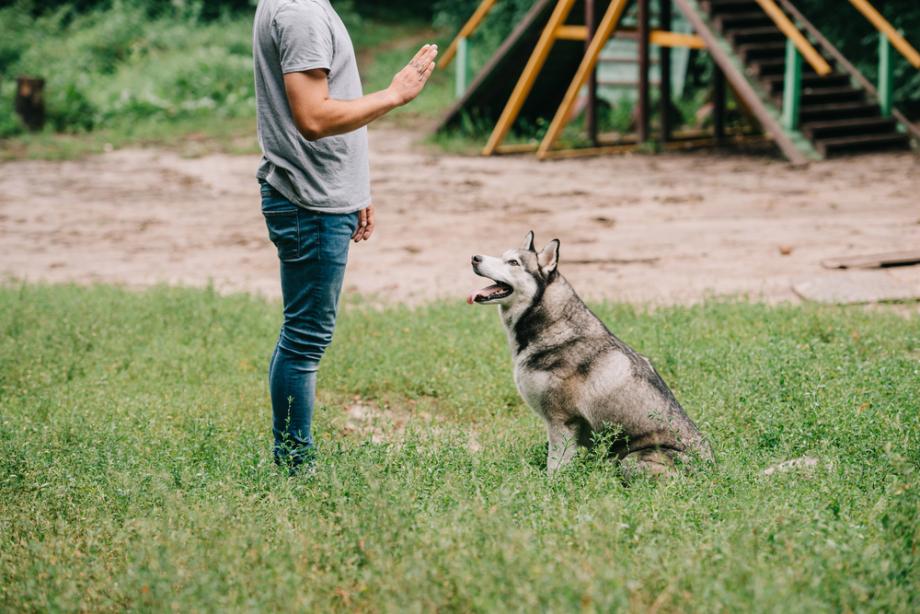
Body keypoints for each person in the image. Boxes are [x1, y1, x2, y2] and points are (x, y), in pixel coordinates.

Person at [253, 0, 438, 472]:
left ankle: (291, 460)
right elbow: (314, 118)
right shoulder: (302, 14)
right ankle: (295, 468)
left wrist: (357, 188)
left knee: (303, 335)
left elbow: (331, 105)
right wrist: (394, 95)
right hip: (308, 202)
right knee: (305, 338)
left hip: (321, 194)